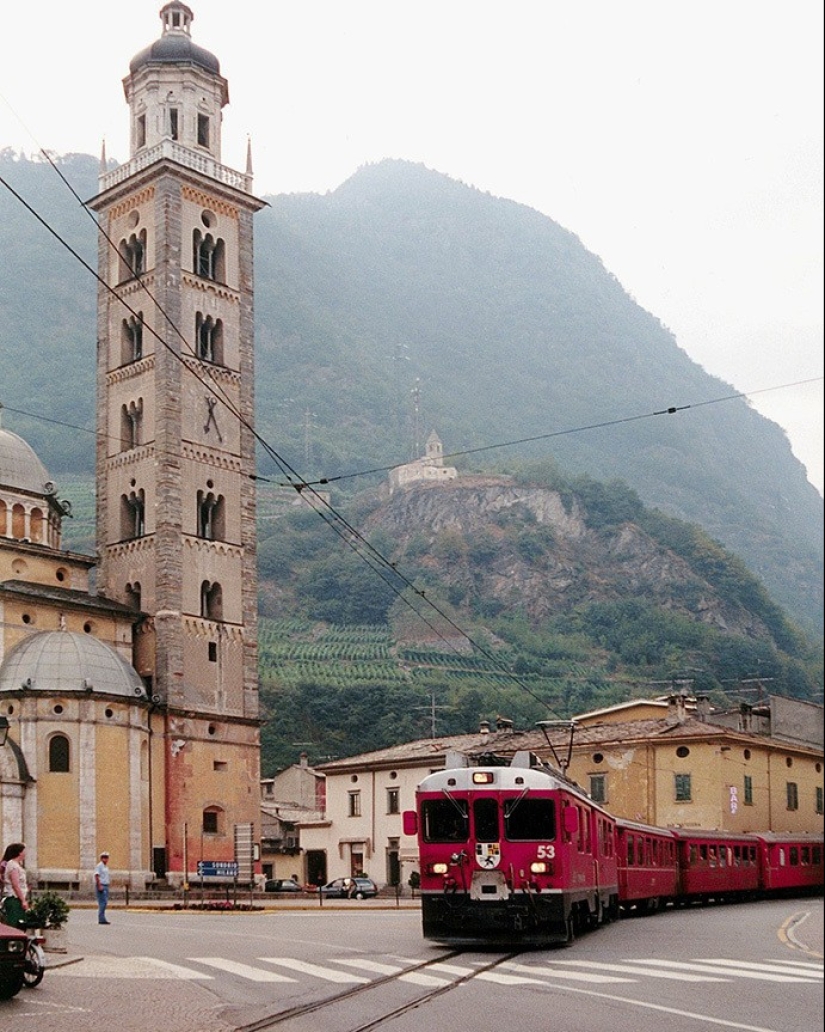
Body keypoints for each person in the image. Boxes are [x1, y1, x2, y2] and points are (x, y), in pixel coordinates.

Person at [1, 842, 30, 927]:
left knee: (19, 923)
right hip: (14, 898)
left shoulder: (16, 865)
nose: (25, 853)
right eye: (24, 851)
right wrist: (23, 900)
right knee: (14, 924)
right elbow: (15, 884)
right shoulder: (13, 865)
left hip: (17, 898)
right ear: (20, 852)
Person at [94, 851, 111, 925]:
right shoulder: (99, 866)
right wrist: (99, 885)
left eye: (106, 857)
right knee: (102, 902)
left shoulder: (106, 867)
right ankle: (101, 919)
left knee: (105, 902)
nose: (105, 859)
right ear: (101, 858)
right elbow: (97, 875)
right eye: (104, 857)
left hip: (106, 885)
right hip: (101, 885)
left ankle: (102, 918)